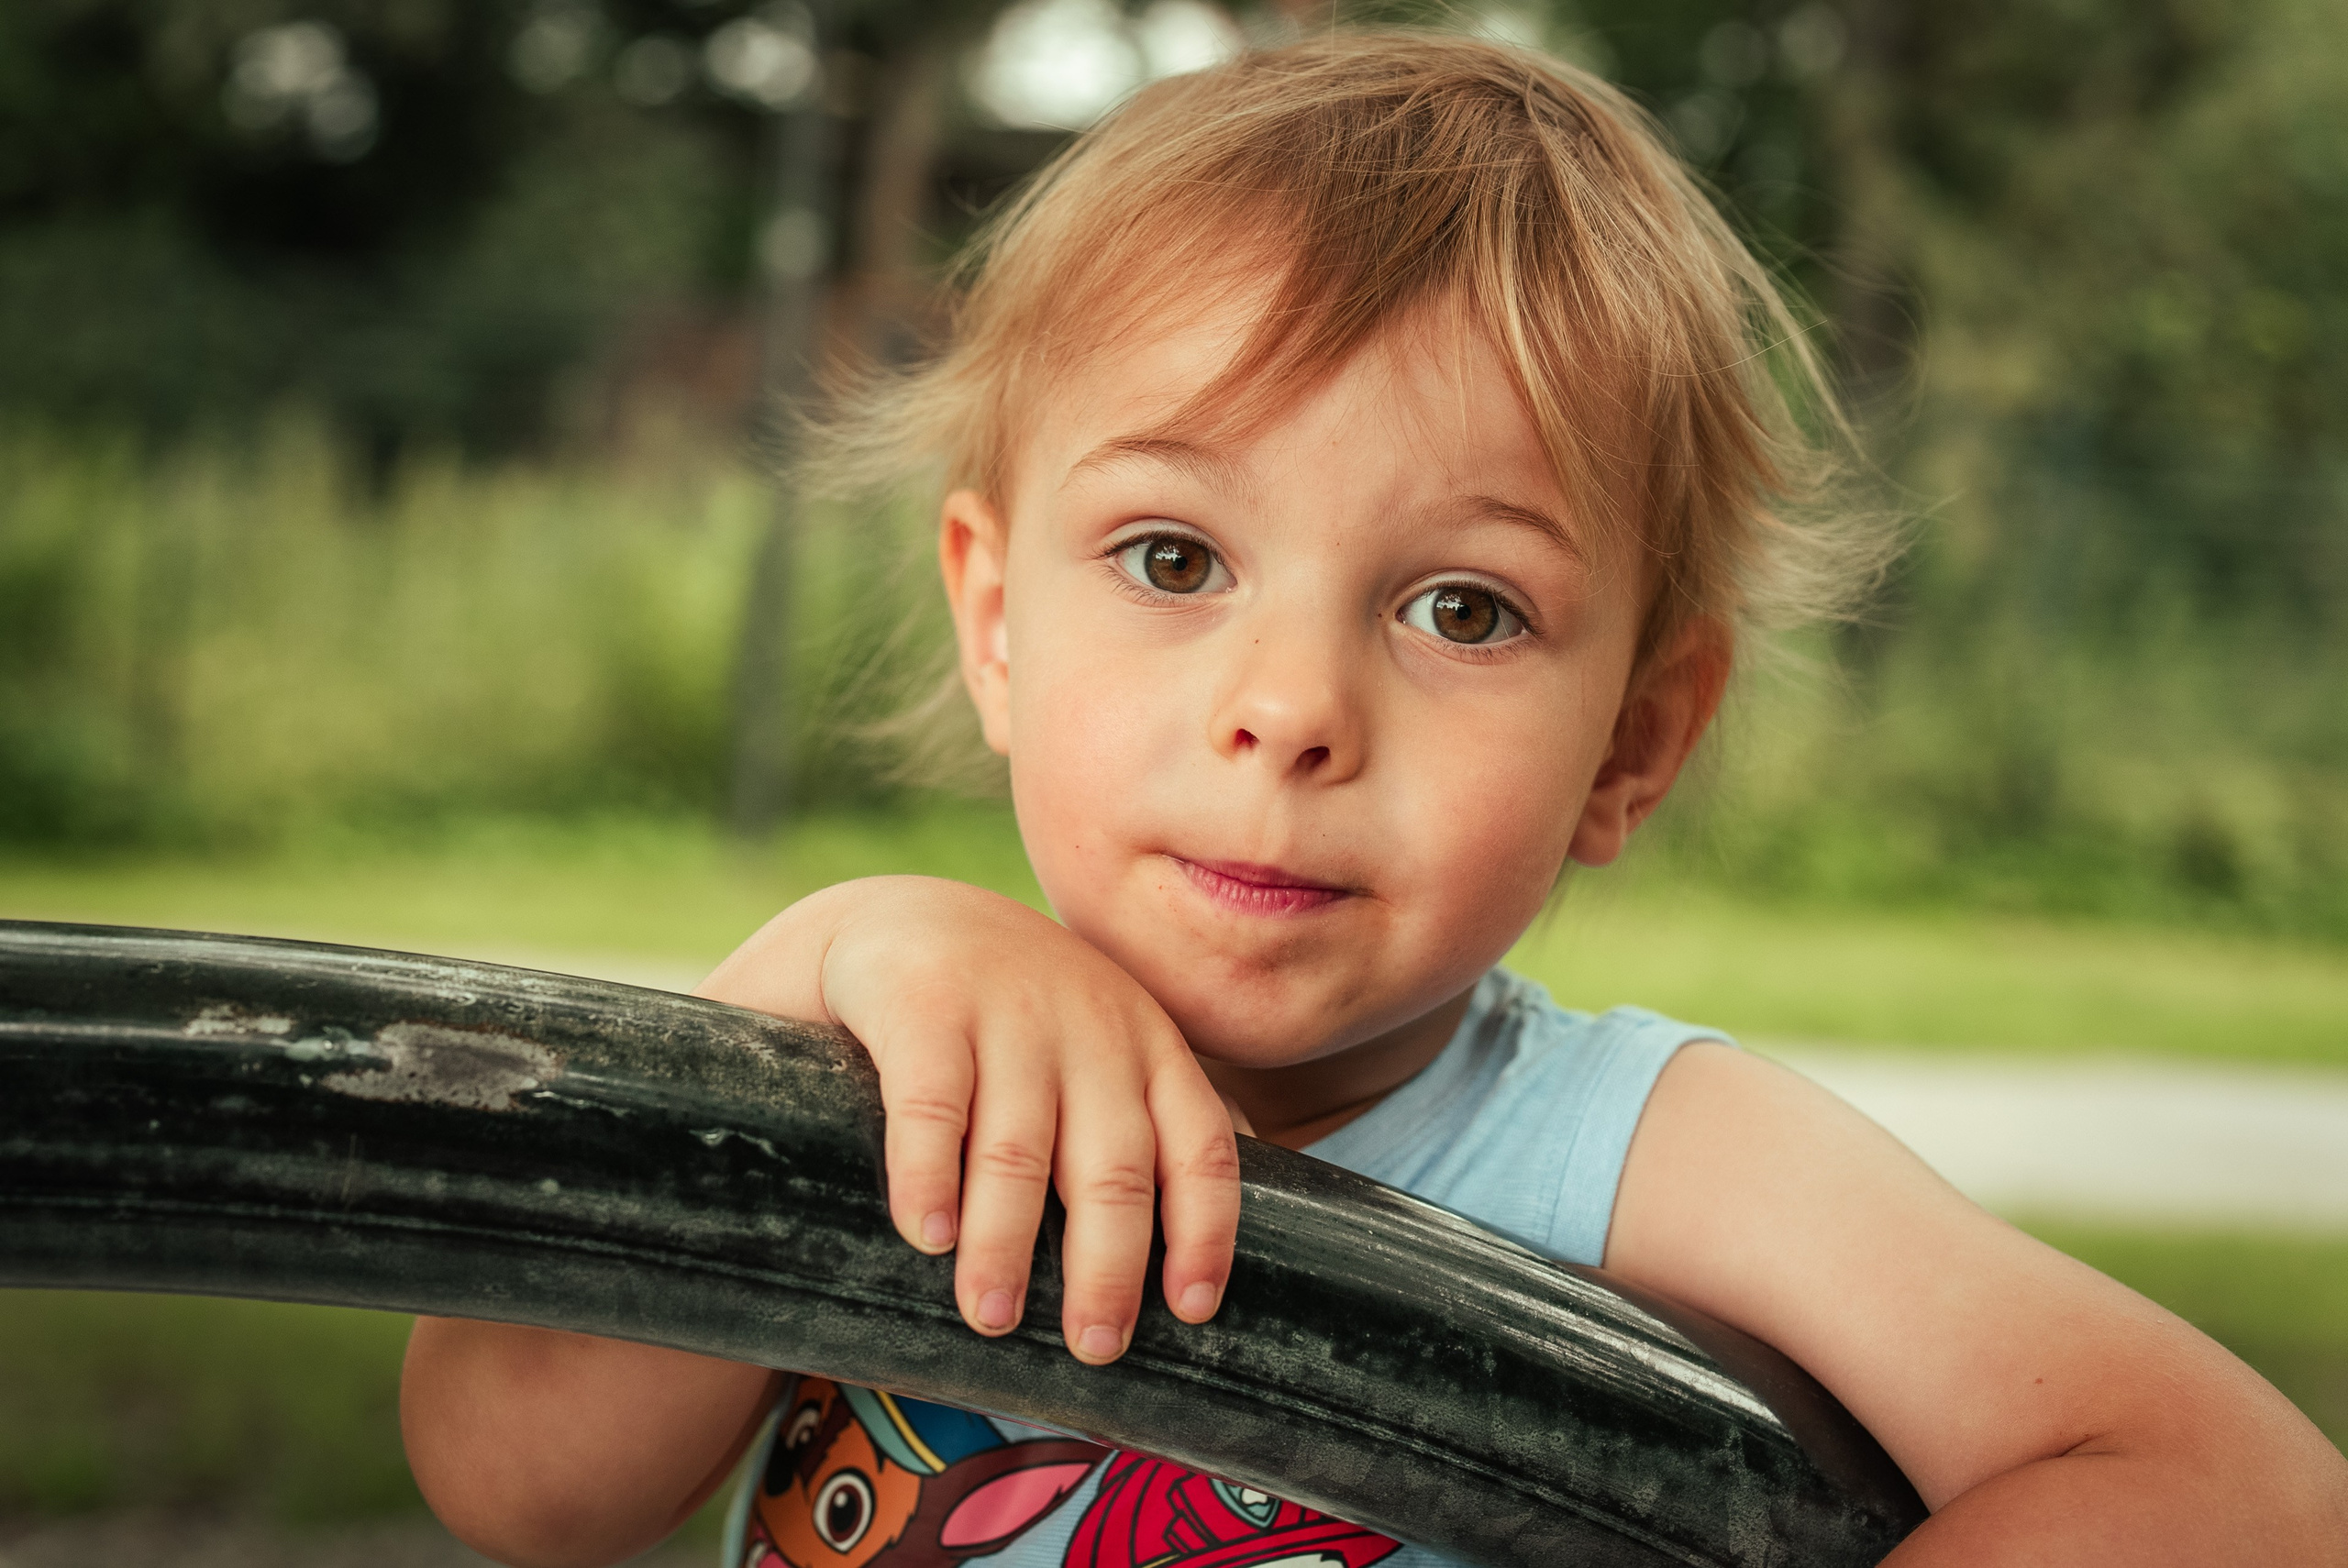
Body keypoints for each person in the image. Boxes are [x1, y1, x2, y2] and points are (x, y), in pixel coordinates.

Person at [399, 30, 2348, 1568]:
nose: (1290, 711)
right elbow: (514, 1478)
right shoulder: (885, 1054)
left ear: (1632, 743)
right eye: (1174, 558)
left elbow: (2237, 1488)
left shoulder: (1634, 1157)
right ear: (994, 619)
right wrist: (817, 963)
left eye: (1460, 608)